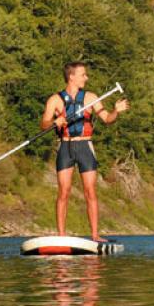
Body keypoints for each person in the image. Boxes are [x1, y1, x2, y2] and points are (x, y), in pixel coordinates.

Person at [40, 62, 129, 241]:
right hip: (65, 147)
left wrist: (116, 111)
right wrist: (53, 123)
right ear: (71, 76)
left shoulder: (91, 97)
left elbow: (106, 119)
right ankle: (61, 236)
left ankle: (95, 235)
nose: (86, 78)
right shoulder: (55, 100)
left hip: (85, 147)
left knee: (90, 191)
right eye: (83, 75)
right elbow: (44, 124)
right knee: (63, 191)